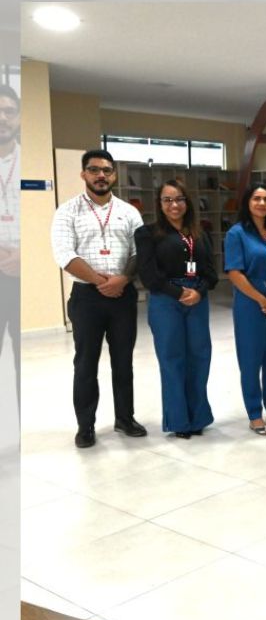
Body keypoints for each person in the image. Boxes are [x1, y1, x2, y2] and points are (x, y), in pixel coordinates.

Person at [50, 149, 146, 448]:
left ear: (114, 174)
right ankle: (86, 425)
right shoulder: (67, 211)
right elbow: (65, 255)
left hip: (123, 296)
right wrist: (101, 281)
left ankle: (125, 418)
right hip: (87, 298)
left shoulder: (129, 212)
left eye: (106, 170)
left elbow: (138, 252)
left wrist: (123, 279)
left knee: (123, 361)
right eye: (94, 170)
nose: (101, 175)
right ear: (84, 174)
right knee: (86, 363)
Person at [135, 179, 218, 439]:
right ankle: (179, 421)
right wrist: (179, 292)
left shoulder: (200, 233)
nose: (174, 205)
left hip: (197, 299)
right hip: (165, 300)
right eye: (167, 200)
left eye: (179, 199)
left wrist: (198, 291)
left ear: (187, 201)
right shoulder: (147, 234)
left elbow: (211, 273)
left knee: (200, 357)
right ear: (159, 204)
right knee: (172, 360)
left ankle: (198, 418)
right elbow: (148, 276)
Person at [224, 183, 266, 436]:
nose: (262, 203)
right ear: (248, 202)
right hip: (250, 303)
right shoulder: (237, 233)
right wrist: (262, 300)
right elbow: (234, 272)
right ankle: (254, 413)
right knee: (251, 360)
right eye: (256, 198)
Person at [0, 83, 20, 408]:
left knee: (19, 362)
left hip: (22, 278)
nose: (3, 117)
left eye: (9, 111)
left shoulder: (32, 162)